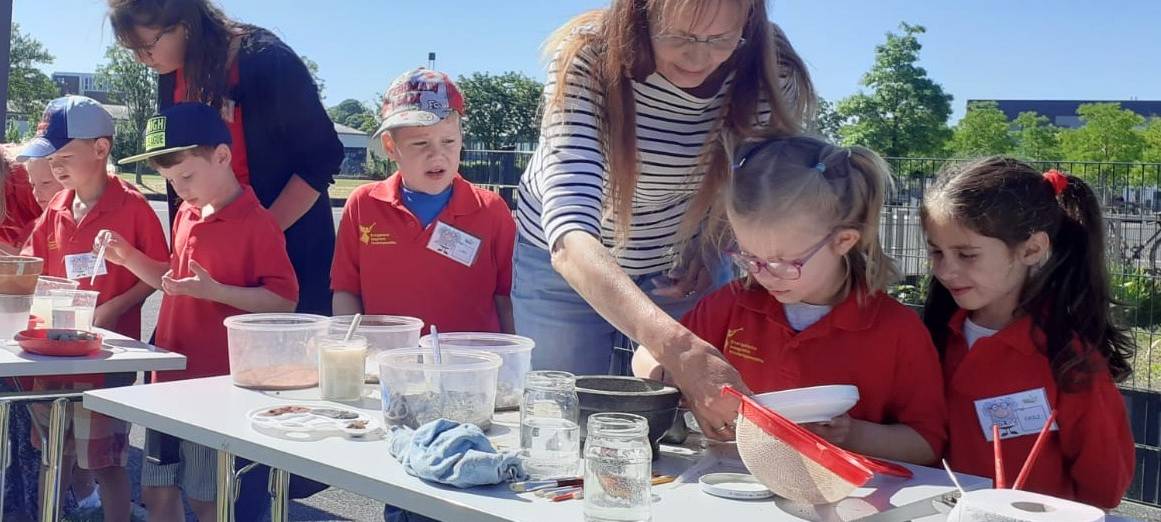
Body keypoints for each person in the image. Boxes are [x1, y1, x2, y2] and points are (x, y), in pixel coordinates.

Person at [512, 0, 815, 440]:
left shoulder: (771, 69)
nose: (698, 58)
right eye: (679, 37)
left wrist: (712, 243)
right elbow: (570, 230)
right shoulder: (590, 54)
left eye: (720, 39)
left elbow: (751, 179)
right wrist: (684, 351)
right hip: (564, 259)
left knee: (688, 430)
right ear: (638, 19)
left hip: (676, 257)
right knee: (564, 419)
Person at [109, 0, 342, 509]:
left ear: (184, 23)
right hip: (204, 252)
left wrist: (254, 232)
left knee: (267, 419)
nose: (146, 59)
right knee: (183, 426)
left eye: (149, 45)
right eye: (135, 51)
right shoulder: (171, 72)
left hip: (280, 245)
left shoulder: (266, 61)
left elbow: (322, 157)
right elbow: (174, 163)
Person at [634, 136, 945, 462]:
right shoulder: (736, 303)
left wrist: (851, 434)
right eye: (750, 258)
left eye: (783, 263)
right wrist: (680, 381)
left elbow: (926, 444)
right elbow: (647, 353)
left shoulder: (897, 330)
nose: (764, 275)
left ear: (843, 241)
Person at [105, 102, 298, 521]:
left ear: (223, 156)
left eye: (186, 176)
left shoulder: (256, 223)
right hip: (167, 379)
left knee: (209, 498)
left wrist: (218, 291)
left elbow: (284, 301)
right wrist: (129, 257)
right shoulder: (187, 215)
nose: (179, 189)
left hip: (214, 385)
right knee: (158, 492)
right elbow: (172, 282)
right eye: (170, 180)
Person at [922, 157, 1135, 508]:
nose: (946, 270)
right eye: (936, 252)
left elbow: (1104, 487)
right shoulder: (929, 339)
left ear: (1032, 249)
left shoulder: (1069, 361)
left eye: (967, 254)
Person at [18, 95, 169, 522]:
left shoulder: (132, 206)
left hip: (106, 359)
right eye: (52, 159)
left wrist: (115, 307)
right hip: (50, 359)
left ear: (101, 149)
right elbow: (32, 270)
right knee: (54, 454)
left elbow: (159, 273)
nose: (56, 168)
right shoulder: (57, 208)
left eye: (65, 156)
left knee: (105, 462)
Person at [332, 68, 516, 333]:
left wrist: (513, 364)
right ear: (390, 147)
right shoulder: (363, 205)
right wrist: (356, 352)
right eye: (420, 143)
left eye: (449, 141)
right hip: (387, 364)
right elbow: (346, 292)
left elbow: (507, 297)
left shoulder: (491, 209)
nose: (437, 155)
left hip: (468, 365)